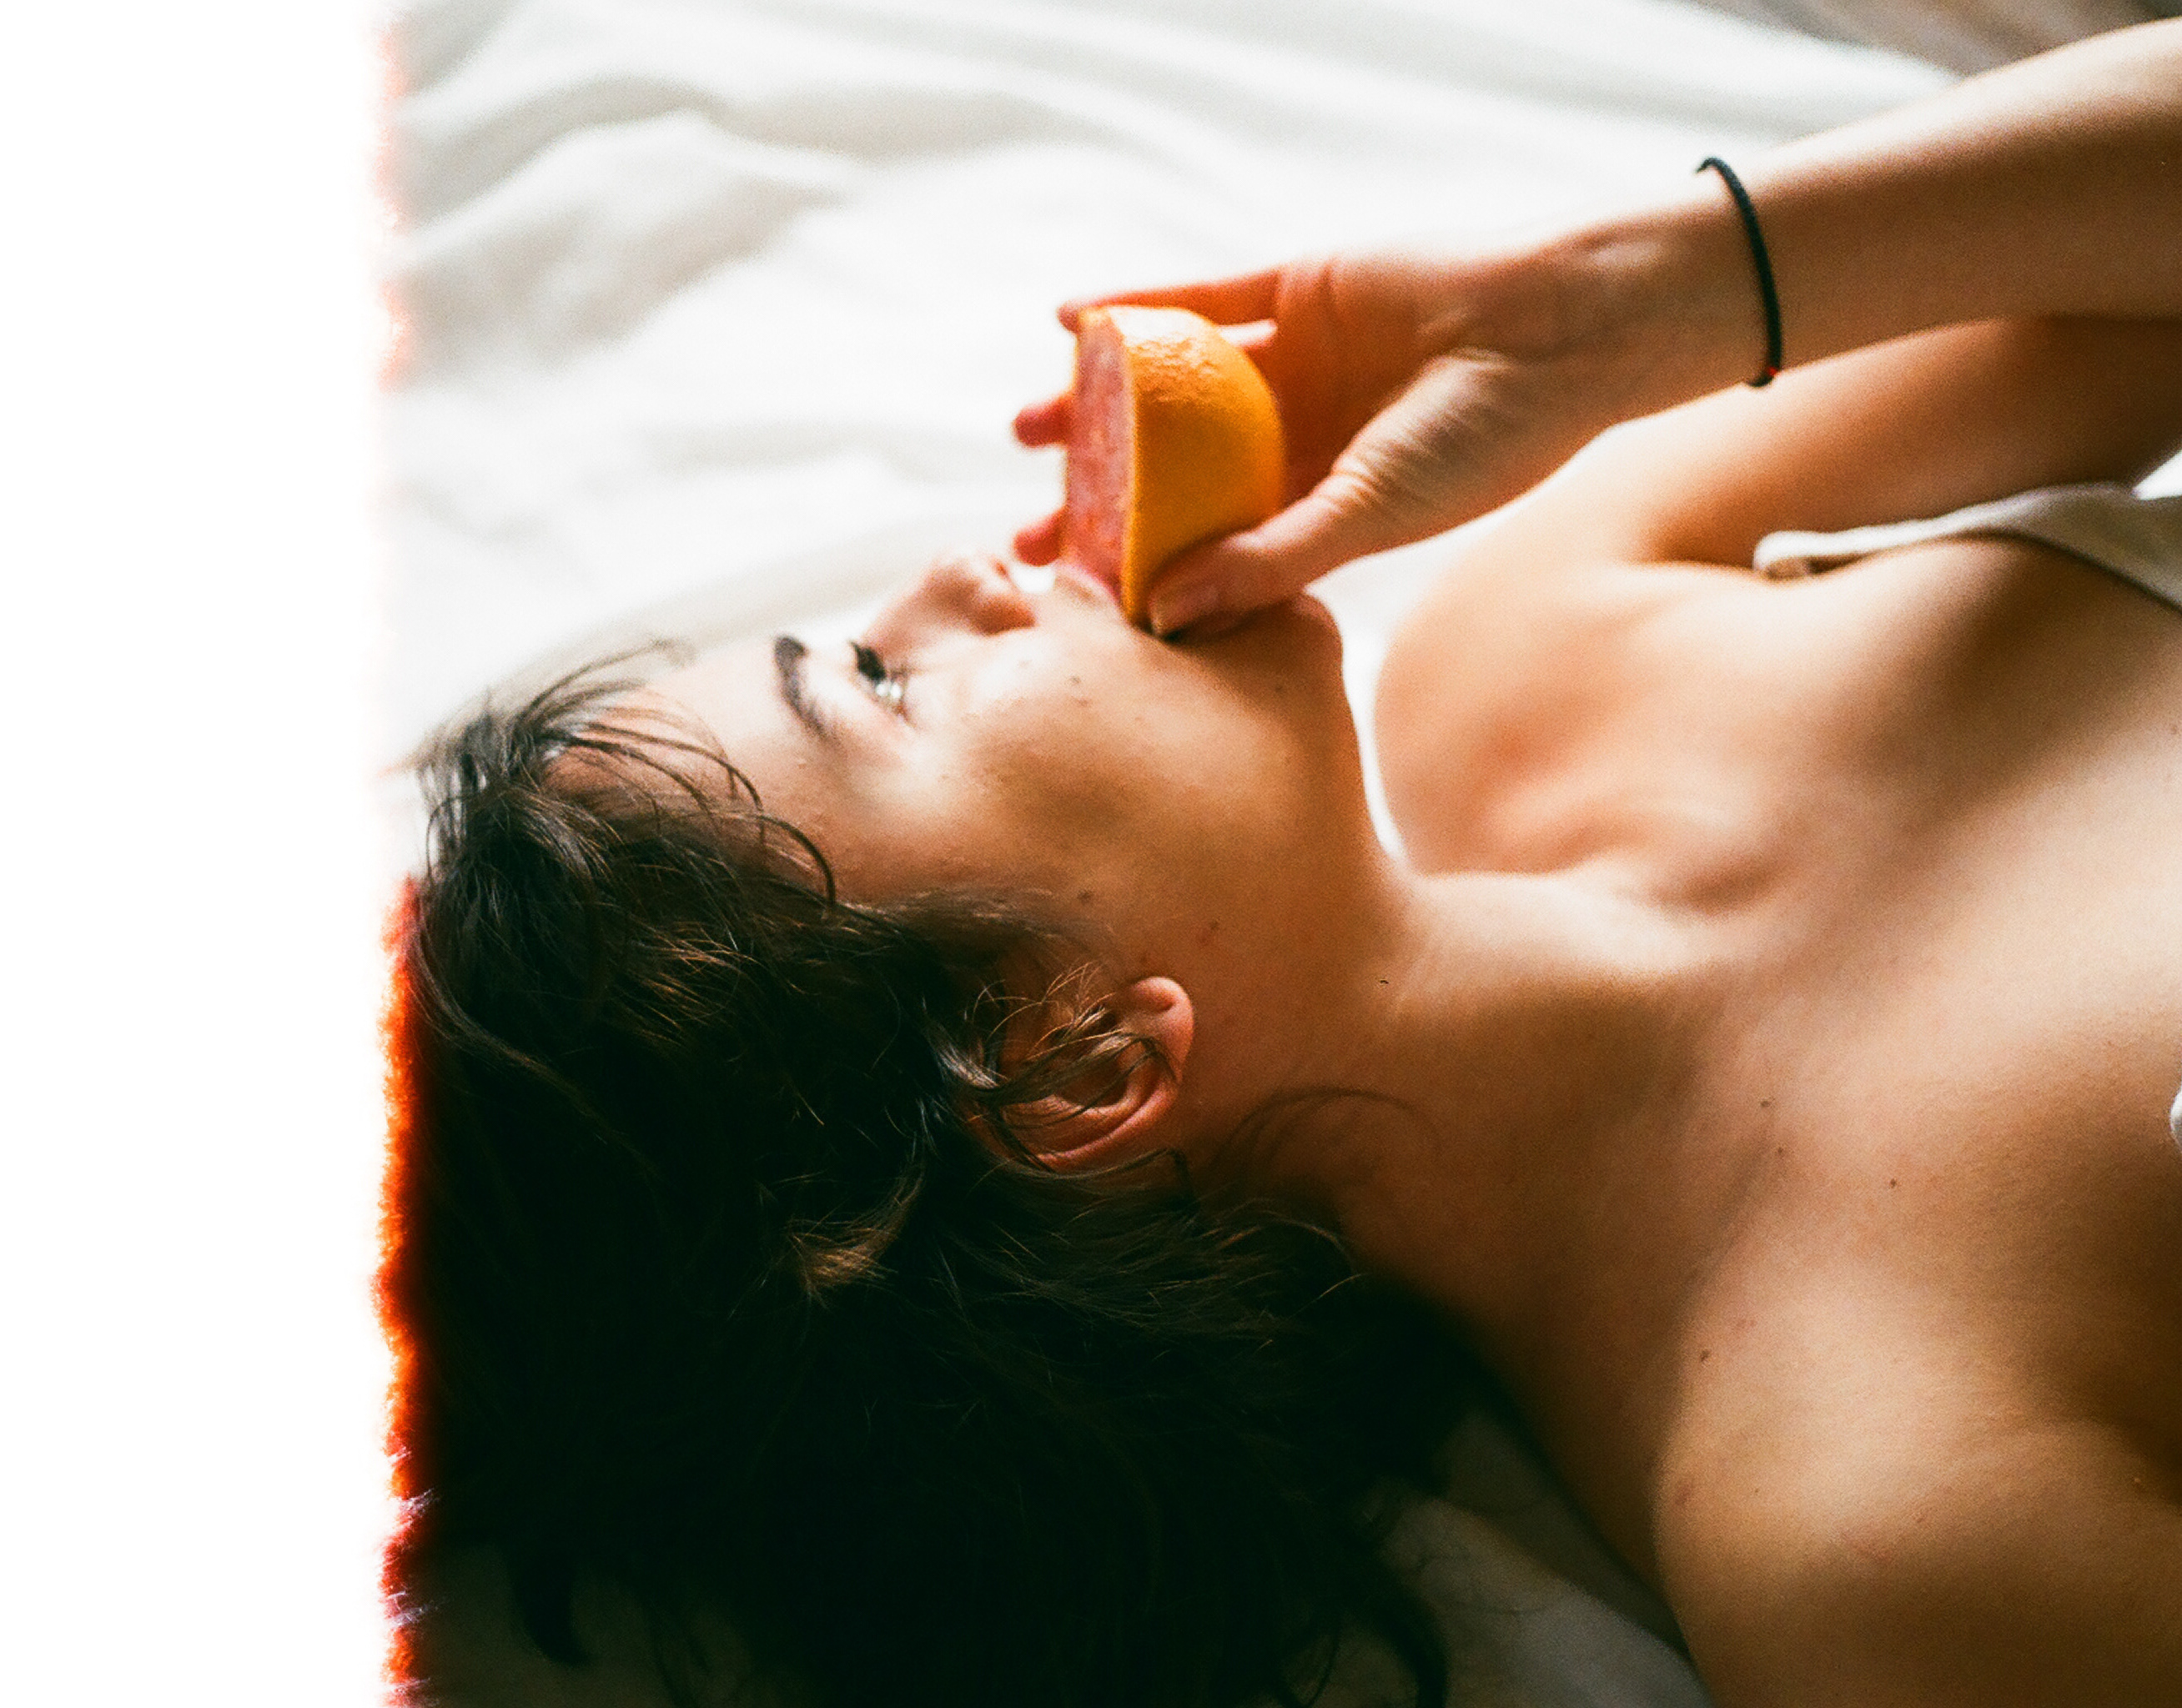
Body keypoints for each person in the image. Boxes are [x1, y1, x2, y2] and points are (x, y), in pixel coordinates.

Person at [387, 19, 2182, 1708]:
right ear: (1071, 1061)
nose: (955, 577)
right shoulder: (1883, 1521)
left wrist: (1654, 286)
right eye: (874, 683)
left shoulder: (1528, 651)